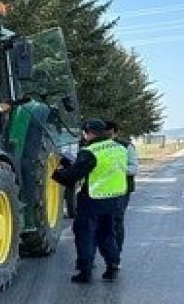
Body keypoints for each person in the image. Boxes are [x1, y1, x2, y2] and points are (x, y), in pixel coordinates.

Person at [53, 119, 129, 282]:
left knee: (85, 234)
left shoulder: (90, 151)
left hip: (93, 201)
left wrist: (57, 172)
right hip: (115, 199)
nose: (83, 136)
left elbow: (71, 178)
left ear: (89, 133)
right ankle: (113, 266)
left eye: (84, 133)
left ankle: (85, 272)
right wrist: (73, 165)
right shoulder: (120, 148)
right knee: (107, 234)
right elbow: (100, 168)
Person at [106, 120, 139, 252]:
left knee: (117, 220)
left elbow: (134, 168)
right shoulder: (97, 146)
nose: (107, 138)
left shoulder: (126, 146)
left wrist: (118, 169)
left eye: (109, 134)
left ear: (116, 133)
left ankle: (116, 253)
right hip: (102, 190)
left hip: (122, 190)